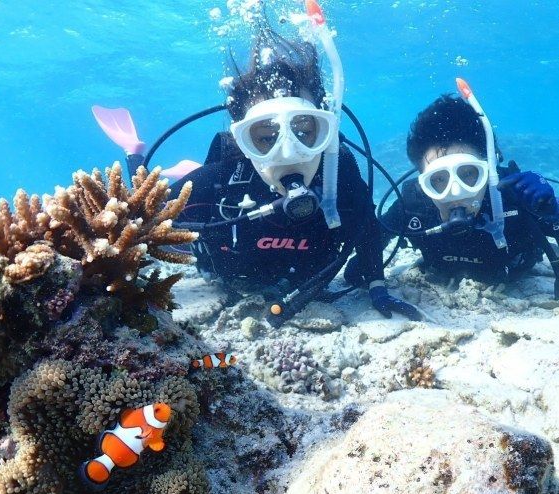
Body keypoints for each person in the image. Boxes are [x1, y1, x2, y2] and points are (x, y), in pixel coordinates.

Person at [171, 27, 419, 324]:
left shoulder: (340, 183)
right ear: (241, 141)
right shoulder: (220, 180)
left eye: (304, 132)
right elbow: (140, 221)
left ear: (326, 133)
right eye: (264, 138)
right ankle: (138, 154)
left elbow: (367, 233)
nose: (288, 153)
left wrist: (378, 288)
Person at [378, 92, 559, 293]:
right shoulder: (413, 205)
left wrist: (558, 212)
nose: (455, 193)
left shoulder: (513, 196)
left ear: (489, 170)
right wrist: (374, 281)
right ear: (422, 181)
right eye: (438, 180)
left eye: (469, 174)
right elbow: (368, 242)